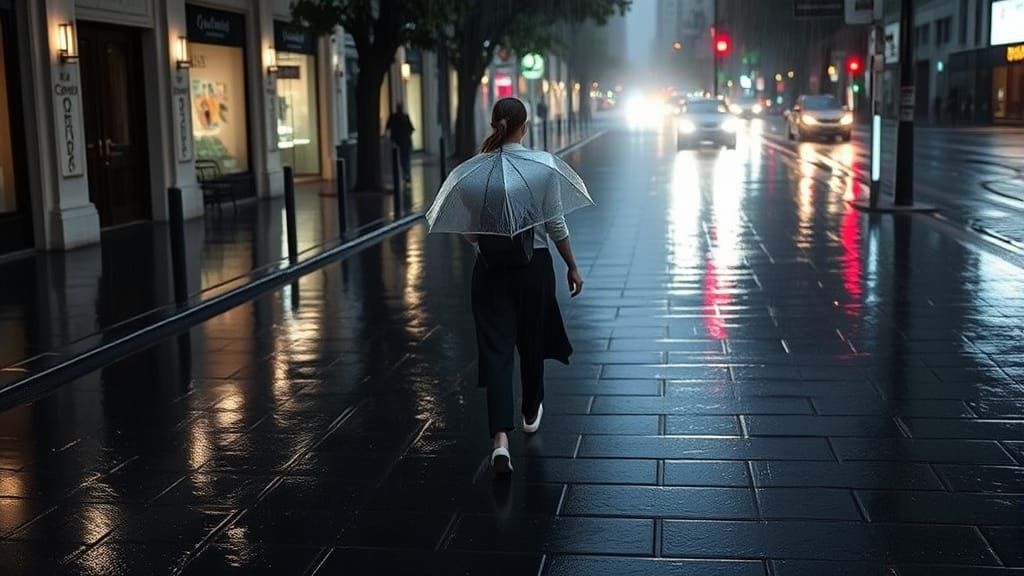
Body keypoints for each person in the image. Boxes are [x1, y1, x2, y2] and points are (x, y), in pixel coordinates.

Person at [469, 97, 583, 475]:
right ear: (525, 126)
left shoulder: (475, 172)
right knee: (531, 342)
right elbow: (556, 226)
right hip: (534, 269)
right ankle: (531, 408)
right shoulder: (541, 168)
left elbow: (470, 234)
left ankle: (500, 441)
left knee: (497, 353)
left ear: (494, 125)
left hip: (489, 272)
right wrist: (572, 266)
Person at [386, 103, 414, 182]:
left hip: (400, 143)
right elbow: (411, 129)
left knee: (403, 160)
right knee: (405, 159)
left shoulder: (394, 117)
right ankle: (406, 174)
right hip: (405, 142)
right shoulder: (404, 117)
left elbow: (388, 128)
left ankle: (405, 174)